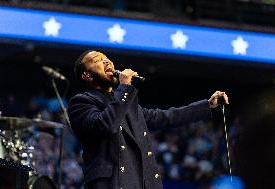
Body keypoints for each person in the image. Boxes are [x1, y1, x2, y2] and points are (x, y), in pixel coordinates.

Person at [67, 50, 229, 189]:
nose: (106, 61)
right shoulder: (81, 102)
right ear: (86, 75)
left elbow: (166, 117)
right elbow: (106, 124)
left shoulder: (126, 103)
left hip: (142, 182)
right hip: (113, 183)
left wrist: (207, 105)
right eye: (97, 60)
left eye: (105, 57)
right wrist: (124, 88)